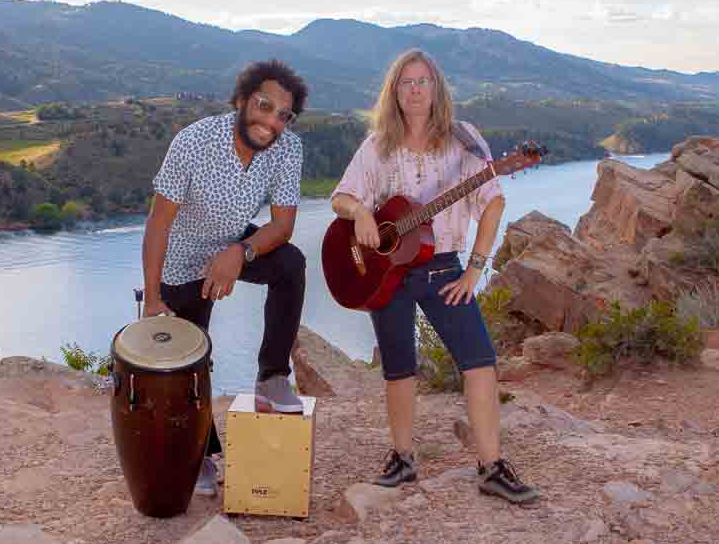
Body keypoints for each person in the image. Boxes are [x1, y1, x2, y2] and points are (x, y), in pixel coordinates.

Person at [329, 49, 538, 504]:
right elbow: (340, 198)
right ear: (394, 92)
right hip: (387, 273)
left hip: (444, 267)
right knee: (400, 368)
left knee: (480, 360)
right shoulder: (377, 145)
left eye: (423, 81)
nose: (416, 89)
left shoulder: (465, 141)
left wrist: (476, 269)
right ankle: (402, 458)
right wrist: (361, 211)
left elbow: (493, 203)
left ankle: (491, 467)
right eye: (406, 82)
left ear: (437, 88)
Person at [142, 59, 309, 497]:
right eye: (263, 105)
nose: (272, 120)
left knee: (291, 265)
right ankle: (199, 455)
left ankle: (272, 376)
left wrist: (240, 252)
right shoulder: (194, 141)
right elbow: (158, 223)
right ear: (241, 100)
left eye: (282, 114)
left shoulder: (288, 148)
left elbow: (283, 226)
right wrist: (154, 296)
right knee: (188, 365)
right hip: (182, 261)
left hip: (234, 245)